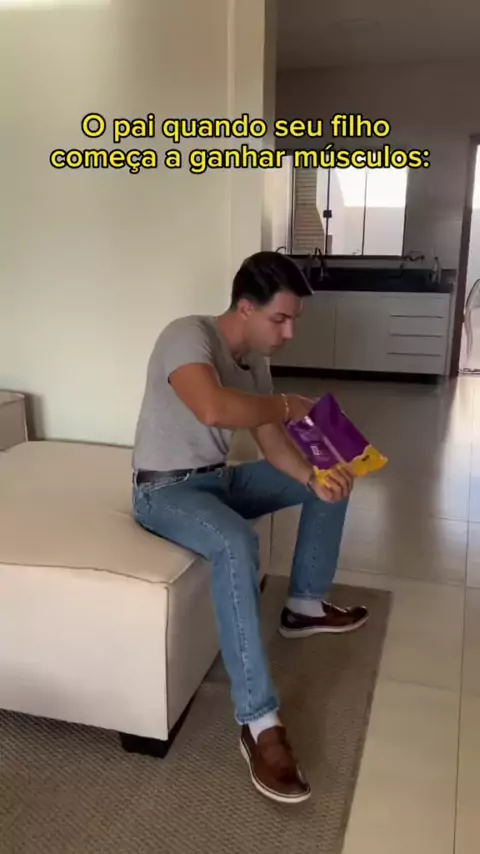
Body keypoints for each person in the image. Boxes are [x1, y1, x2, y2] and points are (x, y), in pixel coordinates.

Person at [132, 250, 368, 805]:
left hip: (217, 480)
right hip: (164, 491)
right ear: (245, 307)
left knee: (332, 475)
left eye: (293, 321)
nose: (288, 333)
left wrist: (312, 476)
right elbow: (212, 409)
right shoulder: (186, 336)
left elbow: (272, 445)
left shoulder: (256, 363)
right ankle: (259, 721)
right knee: (236, 541)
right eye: (279, 319)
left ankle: (304, 605)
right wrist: (286, 404)